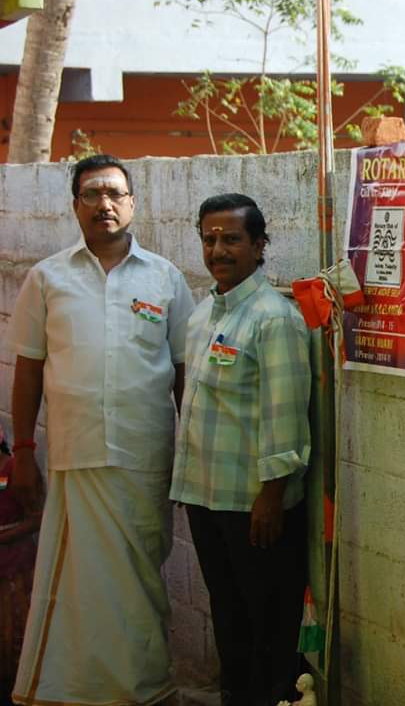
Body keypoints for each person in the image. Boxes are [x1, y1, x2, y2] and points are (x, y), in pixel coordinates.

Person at [5, 154, 194, 706]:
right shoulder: (48, 278)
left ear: (132, 204)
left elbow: (185, 371)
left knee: (140, 582)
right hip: (76, 454)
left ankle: (143, 688)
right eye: (92, 194)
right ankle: (75, 691)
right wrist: (23, 450)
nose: (104, 204)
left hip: (145, 456)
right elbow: (28, 370)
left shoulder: (165, 277)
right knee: (80, 587)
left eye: (115, 193)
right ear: (75, 206)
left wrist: (191, 452)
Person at [171, 194, 311, 706]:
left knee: (267, 627)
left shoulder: (274, 318)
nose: (218, 250)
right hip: (206, 498)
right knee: (229, 620)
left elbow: (285, 414)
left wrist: (271, 496)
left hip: (254, 507)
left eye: (231, 239)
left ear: (259, 245)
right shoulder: (203, 314)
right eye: (209, 239)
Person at [0, 426, 38, 706]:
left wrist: (5, 535)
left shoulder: (15, 470)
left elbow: (38, 517)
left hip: (16, 568)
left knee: (16, 636)